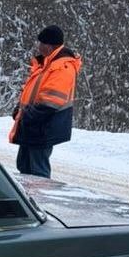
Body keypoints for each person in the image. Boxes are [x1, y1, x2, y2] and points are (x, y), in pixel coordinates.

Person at [9, 25, 82, 178]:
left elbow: (51, 101)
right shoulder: (45, 64)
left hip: (42, 127)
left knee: (38, 173)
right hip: (33, 125)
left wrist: (27, 116)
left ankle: (37, 201)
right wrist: (20, 110)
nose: (39, 47)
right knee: (24, 167)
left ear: (50, 45)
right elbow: (32, 92)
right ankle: (27, 200)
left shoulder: (62, 67)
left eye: (42, 43)